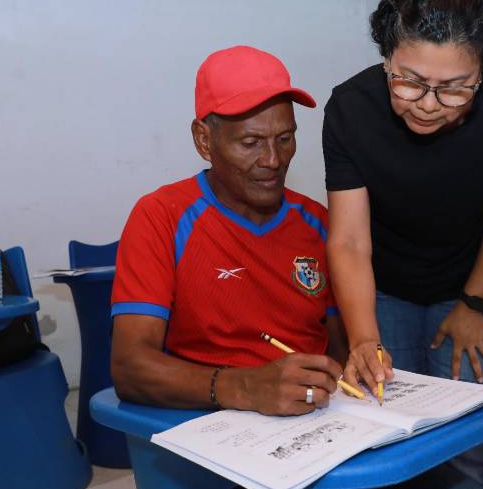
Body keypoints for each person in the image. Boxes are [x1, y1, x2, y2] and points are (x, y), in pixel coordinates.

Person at [323, 0, 483, 489]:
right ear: (387, 58)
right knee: (387, 435)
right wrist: (364, 338)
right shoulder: (351, 108)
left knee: (463, 444)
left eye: (455, 88)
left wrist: (472, 303)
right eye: (409, 81)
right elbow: (350, 240)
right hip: (382, 289)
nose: (427, 103)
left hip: (471, 281)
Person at [111, 45, 346, 416]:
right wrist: (247, 388)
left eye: (285, 138)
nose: (273, 160)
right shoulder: (162, 217)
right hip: (207, 419)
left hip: (311, 416)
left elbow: (341, 349)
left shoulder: (317, 221)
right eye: (251, 143)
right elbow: (130, 367)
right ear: (204, 140)